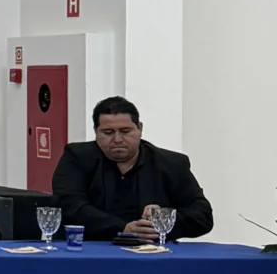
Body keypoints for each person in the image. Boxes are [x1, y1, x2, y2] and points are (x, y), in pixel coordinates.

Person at [53, 97, 213, 244]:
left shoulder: (171, 164)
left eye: (125, 131)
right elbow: (69, 206)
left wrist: (163, 219)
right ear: (96, 131)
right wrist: (123, 229)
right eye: (108, 133)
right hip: (90, 248)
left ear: (140, 128)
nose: (117, 139)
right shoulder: (77, 157)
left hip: (151, 253)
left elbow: (202, 216)